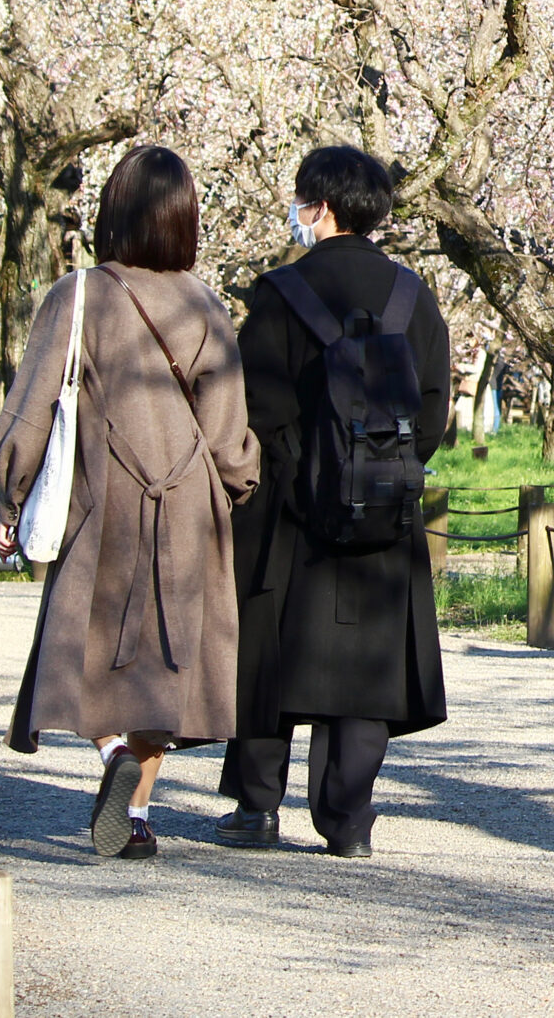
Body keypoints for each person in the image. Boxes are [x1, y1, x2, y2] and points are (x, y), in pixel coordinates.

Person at [0, 145, 259, 861]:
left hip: (100, 496)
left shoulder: (77, 296)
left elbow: (28, 411)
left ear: (112, 209)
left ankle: (108, 747)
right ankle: (137, 812)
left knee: (88, 645)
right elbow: (231, 432)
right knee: (166, 665)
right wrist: (236, 485)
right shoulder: (207, 303)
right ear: (184, 220)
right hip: (187, 504)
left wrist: (11, 493)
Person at [216, 145, 451, 856]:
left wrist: (293, 472)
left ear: (319, 206)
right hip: (384, 504)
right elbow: (434, 409)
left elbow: (252, 403)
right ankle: (348, 820)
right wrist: (382, 466)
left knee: (272, 649)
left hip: (291, 506)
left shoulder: (280, 293)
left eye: (300, 199)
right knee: (368, 655)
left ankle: (257, 808)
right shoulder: (413, 297)